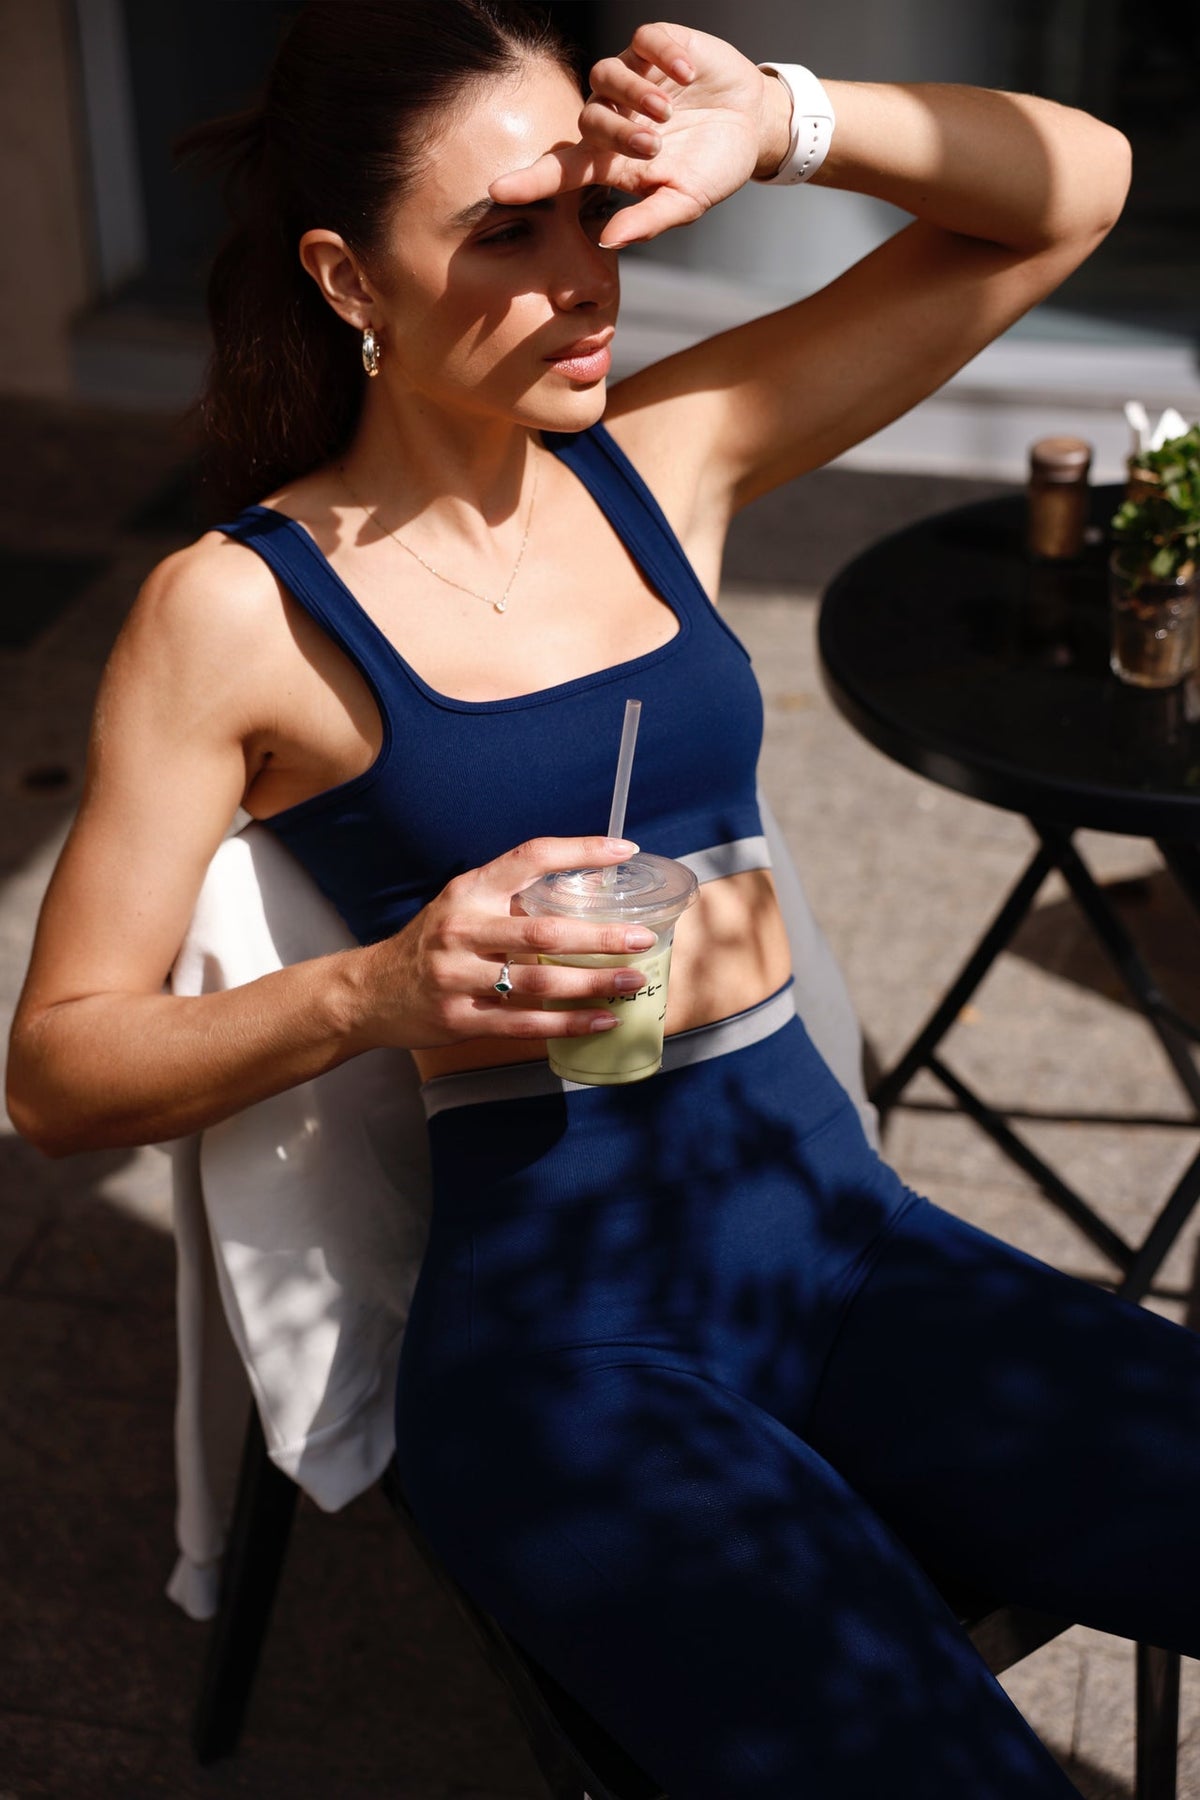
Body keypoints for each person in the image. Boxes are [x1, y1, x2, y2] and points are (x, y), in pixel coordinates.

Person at [6, 4, 1197, 1795]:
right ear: (348, 278)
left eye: (594, 212)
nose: (586, 280)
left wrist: (780, 119)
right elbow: (56, 1070)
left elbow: (1072, 191)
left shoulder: (662, 463)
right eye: (506, 231)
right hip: (570, 1365)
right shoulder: (234, 610)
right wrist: (375, 991)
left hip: (852, 1254)